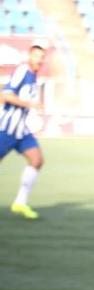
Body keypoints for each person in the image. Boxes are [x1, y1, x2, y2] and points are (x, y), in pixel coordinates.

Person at [1, 45, 46, 220]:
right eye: (36, 56)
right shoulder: (22, 71)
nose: (40, 60)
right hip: (6, 129)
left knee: (37, 160)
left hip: (21, 131)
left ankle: (20, 202)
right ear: (29, 56)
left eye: (42, 57)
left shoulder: (34, 77)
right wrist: (31, 105)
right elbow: (6, 95)